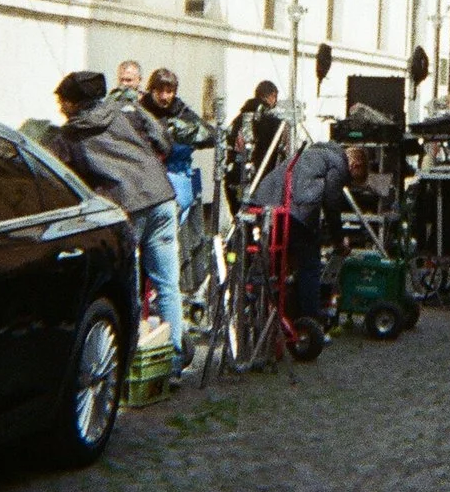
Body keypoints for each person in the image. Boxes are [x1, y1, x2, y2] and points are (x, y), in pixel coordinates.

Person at [51, 70, 184, 369]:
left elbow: (59, 178)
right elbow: (164, 141)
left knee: (129, 287)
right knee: (168, 285)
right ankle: (172, 362)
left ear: (74, 103)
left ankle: (130, 362)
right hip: (161, 196)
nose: (60, 107)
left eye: (63, 101)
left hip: (127, 207)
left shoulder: (69, 134)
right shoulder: (126, 110)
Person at [252, 138, 366, 336]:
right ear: (355, 165)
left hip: (268, 202)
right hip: (294, 209)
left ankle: (265, 309)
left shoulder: (319, 152)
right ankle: (310, 322)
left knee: (275, 263)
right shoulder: (338, 164)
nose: (347, 182)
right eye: (352, 178)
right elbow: (332, 203)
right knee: (310, 264)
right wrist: (338, 240)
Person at [140, 69, 218, 226]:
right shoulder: (140, 110)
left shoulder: (180, 111)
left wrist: (186, 131)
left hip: (176, 174)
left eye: (169, 92)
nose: (164, 97)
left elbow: (211, 135)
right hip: (146, 176)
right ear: (152, 90)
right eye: (159, 91)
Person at [227, 81, 283, 204]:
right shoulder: (272, 121)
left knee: (239, 217)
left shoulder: (238, 119)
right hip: (258, 179)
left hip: (233, 176)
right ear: (272, 96)